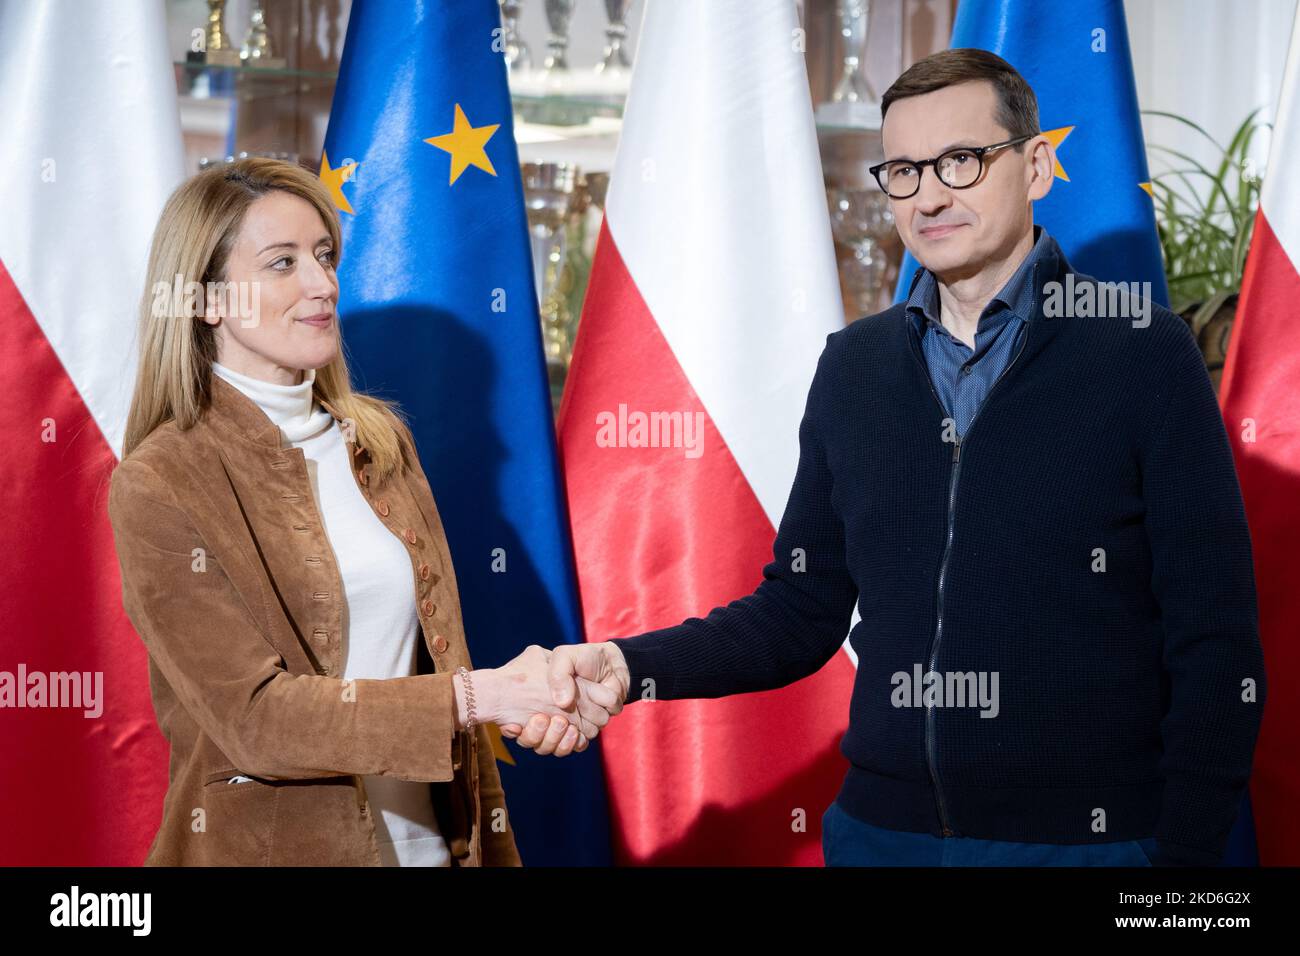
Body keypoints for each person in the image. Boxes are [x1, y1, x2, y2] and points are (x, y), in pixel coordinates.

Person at [506, 49, 1267, 867]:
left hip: (1090, 846)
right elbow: (799, 611)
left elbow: (1215, 642)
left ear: (1037, 166)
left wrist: (1184, 870)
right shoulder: (855, 366)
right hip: (881, 837)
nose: (930, 195)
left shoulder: (1142, 353)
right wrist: (626, 668)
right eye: (903, 171)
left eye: (961, 162)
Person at [108, 157, 618, 866]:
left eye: (323, 256)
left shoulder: (379, 440)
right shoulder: (159, 480)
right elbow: (256, 720)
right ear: (205, 300)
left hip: (438, 848)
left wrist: (530, 698)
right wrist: (482, 696)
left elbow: (438, 665)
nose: (322, 285)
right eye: (282, 263)